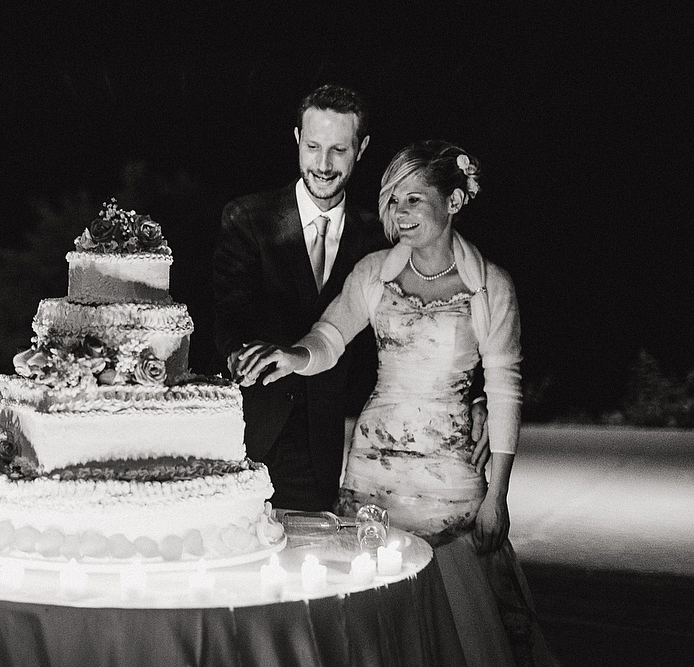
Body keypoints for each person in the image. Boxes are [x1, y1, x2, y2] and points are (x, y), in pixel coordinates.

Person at [233, 140, 554, 666]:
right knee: (374, 603)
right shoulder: (373, 273)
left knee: (457, 624)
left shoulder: (491, 287)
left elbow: (504, 388)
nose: (400, 214)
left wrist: (498, 494)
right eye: (393, 200)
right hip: (373, 466)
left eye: (414, 200)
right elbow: (330, 337)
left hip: (450, 476)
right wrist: (296, 357)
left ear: (453, 201)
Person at [212, 85, 488, 511]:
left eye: (338, 150)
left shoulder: (382, 236)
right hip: (254, 431)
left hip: (329, 443)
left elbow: (446, 306)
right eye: (313, 147)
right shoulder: (248, 218)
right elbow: (229, 313)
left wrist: (475, 395)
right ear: (297, 141)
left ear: (361, 149)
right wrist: (238, 356)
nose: (322, 165)